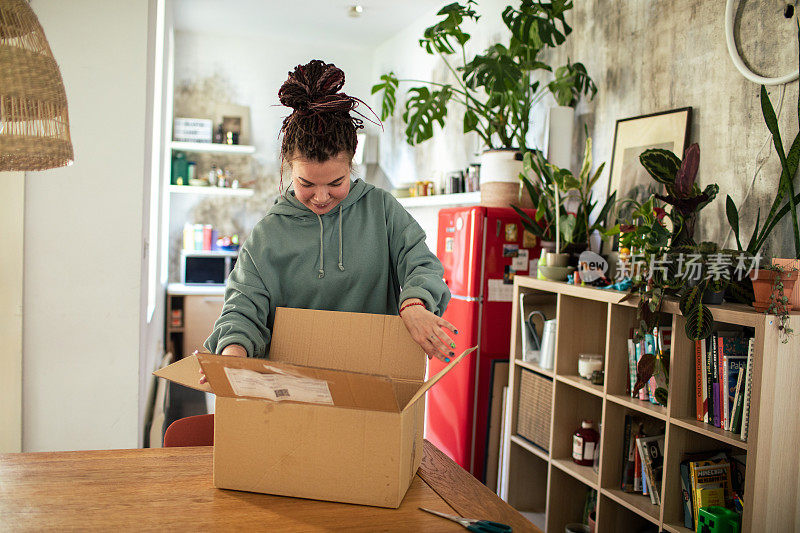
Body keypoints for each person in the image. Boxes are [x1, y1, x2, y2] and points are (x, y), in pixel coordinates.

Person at [201, 59, 455, 378]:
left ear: (351, 164)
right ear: (288, 168)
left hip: (375, 384)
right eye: (306, 184)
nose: (322, 197)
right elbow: (242, 307)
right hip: (292, 393)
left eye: (336, 183)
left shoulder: (382, 210)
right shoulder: (269, 234)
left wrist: (416, 302)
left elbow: (421, 263)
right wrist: (233, 353)